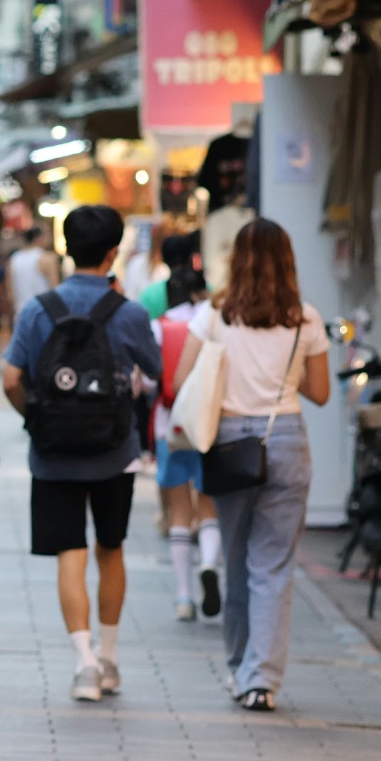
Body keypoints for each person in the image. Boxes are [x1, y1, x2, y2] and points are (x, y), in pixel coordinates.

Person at [172, 218, 330, 712]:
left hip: (228, 444)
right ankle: (261, 680)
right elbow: (320, 392)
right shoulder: (306, 319)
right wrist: (284, 372)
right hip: (284, 438)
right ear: (288, 261)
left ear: (235, 260)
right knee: (273, 564)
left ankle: (240, 668)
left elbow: (181, 379)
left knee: (237, 556)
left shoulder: (214, 314)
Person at [3, 205, 159, 703]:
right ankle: (110, 658)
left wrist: (35, 418)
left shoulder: (38, 310)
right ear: (114, 251)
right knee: (109, 549)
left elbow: (10, 380)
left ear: (67, 249)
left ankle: (84, 663)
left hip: (53, 454)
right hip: (115, 451)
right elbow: (154, 370)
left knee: (69, 554)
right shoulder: (129, 312)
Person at [152, 266, 220, 621]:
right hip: (211, 426)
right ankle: (208, 562)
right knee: (208, 506)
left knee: (179, 510)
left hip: (172, 427)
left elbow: (154, 379)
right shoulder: (215, 319)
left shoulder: (162, 326)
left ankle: (183, 597)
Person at [6, 226, 58, 317]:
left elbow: (10, 293)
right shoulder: (47, 258)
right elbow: (55, 289)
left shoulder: (14, 259)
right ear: (38, 238)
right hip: (44, 312)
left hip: (21, 313)